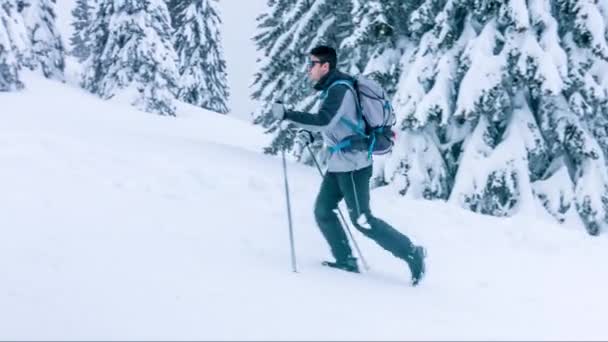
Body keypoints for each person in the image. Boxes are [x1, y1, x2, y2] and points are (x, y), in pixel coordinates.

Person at [272, 45, 426, 286]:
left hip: (354, 165)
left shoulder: (339, 89)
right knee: (323, 211)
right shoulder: (333, 89)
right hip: (339, 163)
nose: (309, 69)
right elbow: (338, 124)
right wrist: (309, 136)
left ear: (325, 66)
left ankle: (412, 252)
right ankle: (345, 260)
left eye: (312, 64)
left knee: (363, 220)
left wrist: (287, 115)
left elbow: (324, 120)